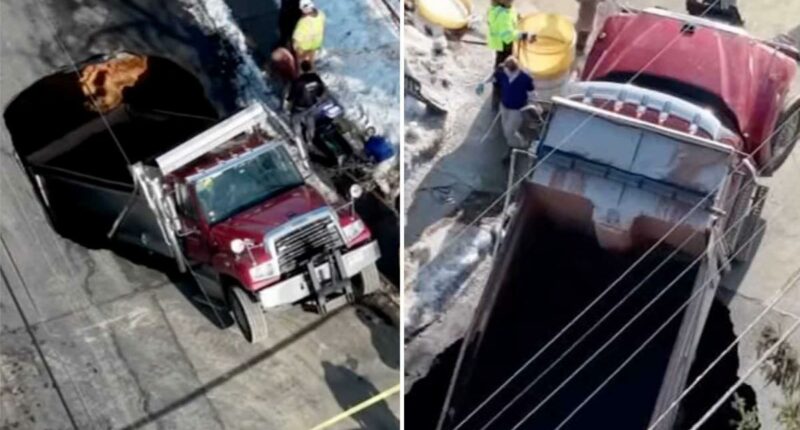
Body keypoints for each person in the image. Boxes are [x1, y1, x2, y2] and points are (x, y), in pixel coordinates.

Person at [476, 56, 536, 158]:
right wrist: (483, 83)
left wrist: (532, 104)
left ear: (514, 70)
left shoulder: (525, 78)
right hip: (504, 106)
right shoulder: (503, 71)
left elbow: (532, 93)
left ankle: (520, 145)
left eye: (507, 71)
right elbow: (493, 76)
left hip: (517, 109)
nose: (505, 72)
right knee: (506, 129)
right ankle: (513, 143)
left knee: (510, 131)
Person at [487, 0, 534, 108]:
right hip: (503, 44)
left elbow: (511, 13)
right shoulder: (502, 15)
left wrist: (518, 18)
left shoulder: (503, 8)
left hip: (502, 43)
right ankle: (498, 94)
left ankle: (500, 87)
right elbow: (507, 37)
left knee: (503, 64)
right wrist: (523, 35)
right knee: (503, 66)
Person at [286, 61, 326, 143]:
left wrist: (289, 101)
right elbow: (321, 89)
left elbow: (292, 95)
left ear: (301, 69)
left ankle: (298, 138)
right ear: (310, 68)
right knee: (310, 119)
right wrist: (317, 96)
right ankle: (310, 138)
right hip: (312, 104)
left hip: (300, 107)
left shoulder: (298, 81)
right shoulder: (315, 77)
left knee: (295, 121)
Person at [293, 0, 326, 66]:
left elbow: (297, 38)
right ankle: (311, 68)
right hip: (316, 43)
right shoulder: (321, 14)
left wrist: (295, 47)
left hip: (303, 46)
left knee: (301, 63)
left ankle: (300, 72)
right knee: (311, 60)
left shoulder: (303, 22)